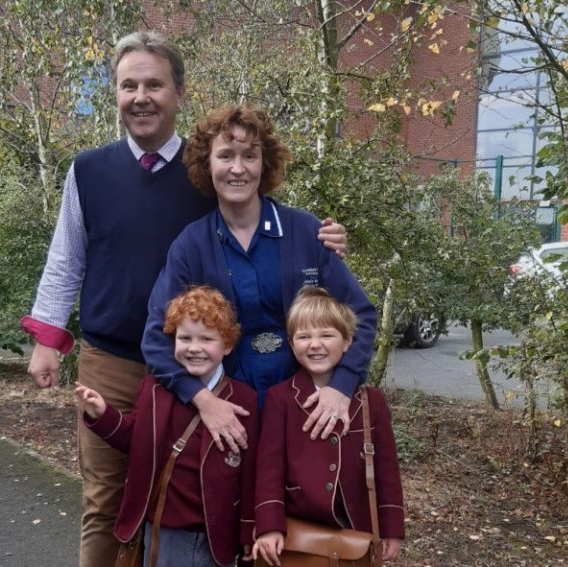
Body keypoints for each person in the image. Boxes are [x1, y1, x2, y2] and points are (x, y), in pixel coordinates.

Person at [21, 32, 346, 567]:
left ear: (178, 93)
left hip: (201, 368)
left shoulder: (208, 170)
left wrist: (326, 241)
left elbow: (266, 228)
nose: (141, 96)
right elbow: (66, 259)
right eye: (129, 85)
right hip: (112, 363)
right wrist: (48, 339)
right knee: (106, 503)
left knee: (191, 500)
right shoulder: (89, 171)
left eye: (154, 84)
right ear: (116, 94)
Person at [142, 105, 377, 456]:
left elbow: (362, 316)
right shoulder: (191, 246)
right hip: (228, 414)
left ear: (264, 164)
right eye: (225, 155)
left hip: (306, 409)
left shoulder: (307, 232)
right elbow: (155, 339)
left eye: (249, 155)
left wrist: (341, 387)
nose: (237, 168)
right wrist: (204, 401)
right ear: (208, 164)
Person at [75, 286, 258, 567]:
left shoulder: (243, 399)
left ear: (228, 345)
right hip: (157, 525)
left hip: (208, 533)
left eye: (206, 339)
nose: (194, 348)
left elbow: (250, 473)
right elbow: (135, 441)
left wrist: (248, 530)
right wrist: (102, 415)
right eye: (185, 338)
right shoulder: (155, 388)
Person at [252, 287, 405, 566]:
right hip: (299, 531)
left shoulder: (372, 403)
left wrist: (392, 528)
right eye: (304, 336)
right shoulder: (280, 398)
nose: (315, 344)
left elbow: (387, 471)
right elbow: (268, 469)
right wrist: (269, 525)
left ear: (347, 341)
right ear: (290, 342)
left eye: (326, 335)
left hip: (356, 526)